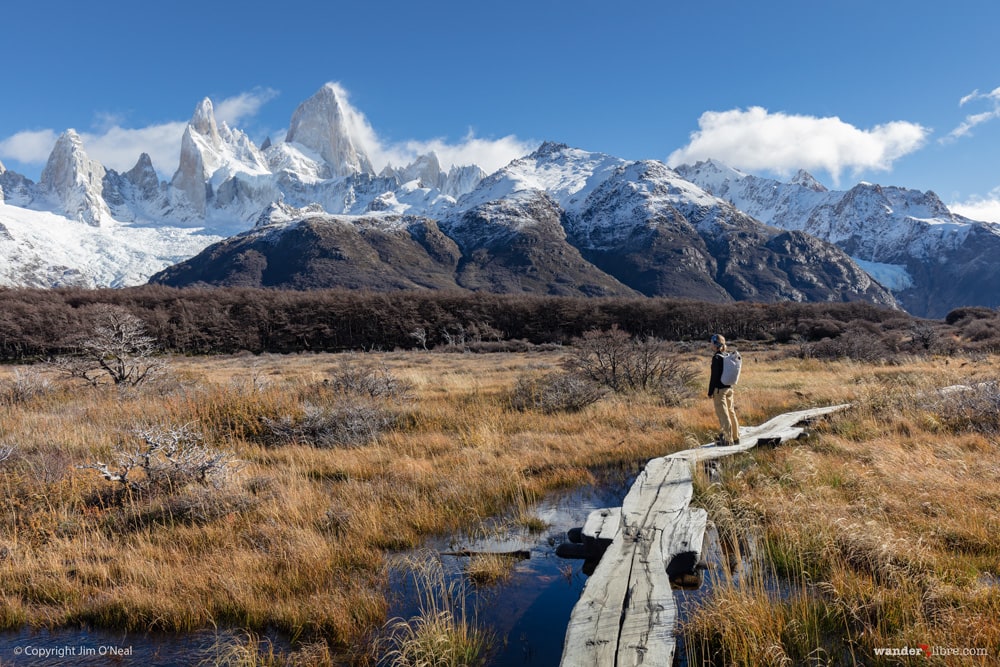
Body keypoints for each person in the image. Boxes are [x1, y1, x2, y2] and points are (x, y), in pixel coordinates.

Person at [708, 334, 739, 445]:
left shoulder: (716, 357)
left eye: (712, 342)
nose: (710, 344)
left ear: (716, 344)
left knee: (723, 415)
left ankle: (727, 440)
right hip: (729, 389)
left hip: (719, 390)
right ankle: (736, 438)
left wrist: (710, 391)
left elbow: (714, 377)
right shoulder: (727, 356)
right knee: (731, 413)